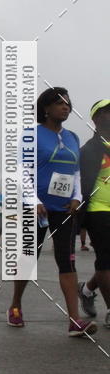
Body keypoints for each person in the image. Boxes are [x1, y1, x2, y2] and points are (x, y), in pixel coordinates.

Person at [6, 87, 95, 336]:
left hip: (64, 209)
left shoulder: (73, 138)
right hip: (36, 209)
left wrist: (77, 197)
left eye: (68, 103)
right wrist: (32, 200)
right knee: (28, 259)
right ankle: (15, 305)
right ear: (46, 108)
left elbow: (76, 172)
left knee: (66, 261)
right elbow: (21, 170)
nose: (66, 107)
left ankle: (74, 321)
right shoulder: (30, 135)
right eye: (60, 103)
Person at [77, 100, 110, 327]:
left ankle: (87, 290)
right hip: (99, 212)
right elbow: (82, 185)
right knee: (106, 263)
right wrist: (80, 218)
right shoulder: (90, 150)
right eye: (109, 112)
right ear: (97, 119)